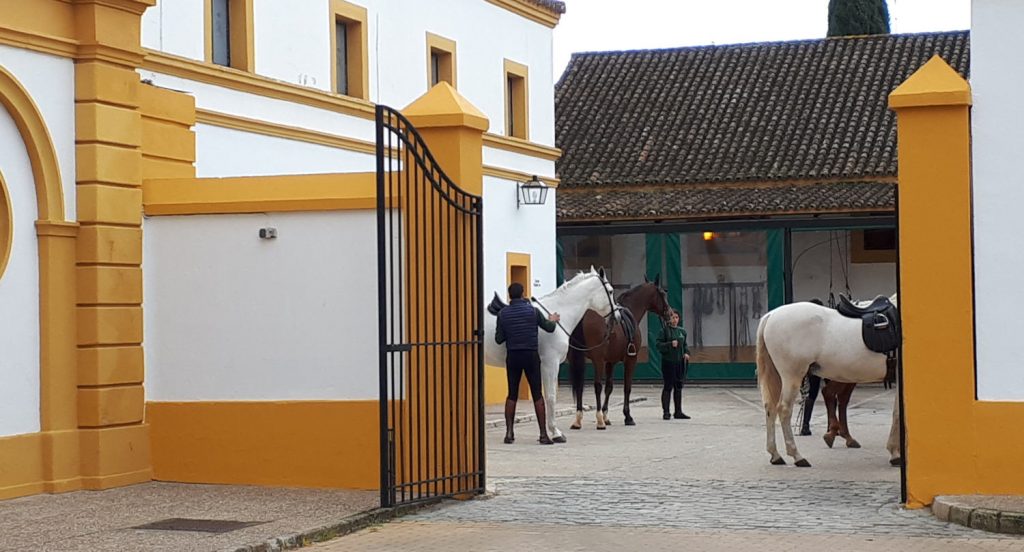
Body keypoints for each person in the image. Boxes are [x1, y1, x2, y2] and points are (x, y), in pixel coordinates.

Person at [495, 282, 560, 445]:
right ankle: (543, 434)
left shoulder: (503, 314)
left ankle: (509, 433)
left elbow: (498, 339)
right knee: (537, 394)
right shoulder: (533, 311)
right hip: (531, 355)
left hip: (513, 356)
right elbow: (549, 328)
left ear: (510, 295)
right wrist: (553, 320)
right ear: (523, 293)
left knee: (512, 394)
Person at [657, 309, 690, 420]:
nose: (674, 320)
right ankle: (666, 412)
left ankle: (678, 411)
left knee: (678, 386)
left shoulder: (682, 331)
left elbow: (685, 345)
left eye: (676, 317)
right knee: (668, 386)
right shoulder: (664, 331)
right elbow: (658, 345)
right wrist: (670, 344)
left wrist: (686, 353)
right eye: (672, 317)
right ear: (669, 319)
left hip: (679, 362)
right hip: (668, 362)